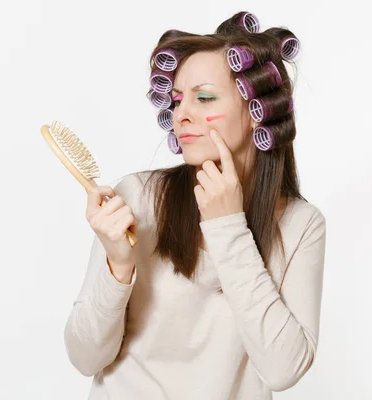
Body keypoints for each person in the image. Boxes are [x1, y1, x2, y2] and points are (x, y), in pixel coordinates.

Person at [64, 11, 327, 400]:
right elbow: (85, 357)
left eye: (204, 97)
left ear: (258, 112)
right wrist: (118, 266)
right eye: (177, 99)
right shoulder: (139, 196)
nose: (181, 113)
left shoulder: (300, 224)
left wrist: (228, 228)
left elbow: (283, 370)